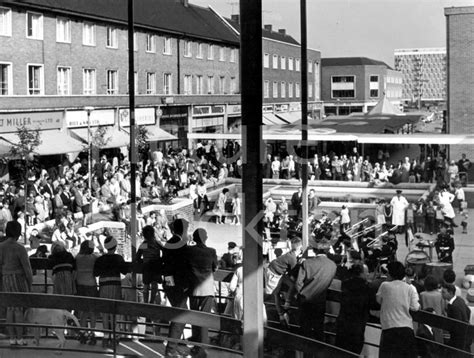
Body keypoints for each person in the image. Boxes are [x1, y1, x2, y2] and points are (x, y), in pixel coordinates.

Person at [295, 239, 336, 342]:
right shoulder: (333, 266)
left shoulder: (307, 263)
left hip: (305, 301)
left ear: (314, 250)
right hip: (320, 301)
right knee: (319, 330)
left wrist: (300, 294)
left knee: (304, 332)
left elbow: (298, 283)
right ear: (327, 251)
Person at [376, 261, 420, 358]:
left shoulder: (384, 286)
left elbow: (379, 300)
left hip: (389, 328)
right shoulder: (409, 288)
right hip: (406, 328)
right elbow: (415, 307)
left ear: (391, 274)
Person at [161, 218, 191, 356]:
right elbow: (183, 266)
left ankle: (173, 345)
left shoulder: (170, 242)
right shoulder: (181, 244)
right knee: (181, 315)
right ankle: (171, 349)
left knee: (180, 314)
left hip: (169, 282)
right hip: (178, 284)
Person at [0, 221, 33, 346]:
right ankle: (19, 338)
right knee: (18, 309)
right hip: (18, 279)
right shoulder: (20, 248)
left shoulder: (1, 246)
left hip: (5, 279)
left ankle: (12, 338)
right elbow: (27, 269)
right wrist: (30, 283)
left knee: (9, 309)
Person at [186, 228, 218, 355]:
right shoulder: (212, 251)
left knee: (195, 318)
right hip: (207, 288)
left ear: (194, 238)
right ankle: (203, 348)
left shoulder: (190, 251)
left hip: (194, 288)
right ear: (205, 238)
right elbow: (215, 267)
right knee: (205, 318)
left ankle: (196, 345)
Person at [94, 236, 128, 348]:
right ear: (115, 246)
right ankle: (114, 337)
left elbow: (96, 273)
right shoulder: (118, 258)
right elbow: (125, 270)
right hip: (115, 285)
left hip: (103, 286)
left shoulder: (100, 259)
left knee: (105, 312)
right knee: (114, 312)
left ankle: (105, 336)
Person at [335, 263, 370, 355]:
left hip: (343, 322)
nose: (368, 274)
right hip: (358, 324)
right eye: (366, 272)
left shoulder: (344, 284)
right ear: (361, 273)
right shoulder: (366, 286)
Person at [75, 239, 99, 345]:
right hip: (91, 285)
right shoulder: (94, 258)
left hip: (80, 285)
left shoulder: (77, 258)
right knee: (92, 311)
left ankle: (83, 332)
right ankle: (92, 333)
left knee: (83, 311)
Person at [441, 283, 472, 355]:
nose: (442, 294)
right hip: (465, 332)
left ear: (450, 293)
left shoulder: (453, 307)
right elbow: (468, 311)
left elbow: (456, 323)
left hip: (458, 337)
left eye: (444, 292)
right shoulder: (460, 299)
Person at [135, 225, 162, 304]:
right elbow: (165, 250)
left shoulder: (144, 244)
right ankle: (152, 301)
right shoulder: (156, 243)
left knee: (146, 285)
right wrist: (161, 260)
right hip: (156, 265)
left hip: (146, 266)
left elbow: (137, 257)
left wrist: (142, 261)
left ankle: (146, 302)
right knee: (154, 284)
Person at [419, 275, 445, 343]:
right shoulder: (440, 295)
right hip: (438, 321)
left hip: (425, 320)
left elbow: (420, 308)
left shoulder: (422, 295)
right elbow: (442, 309)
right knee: (438, 341)